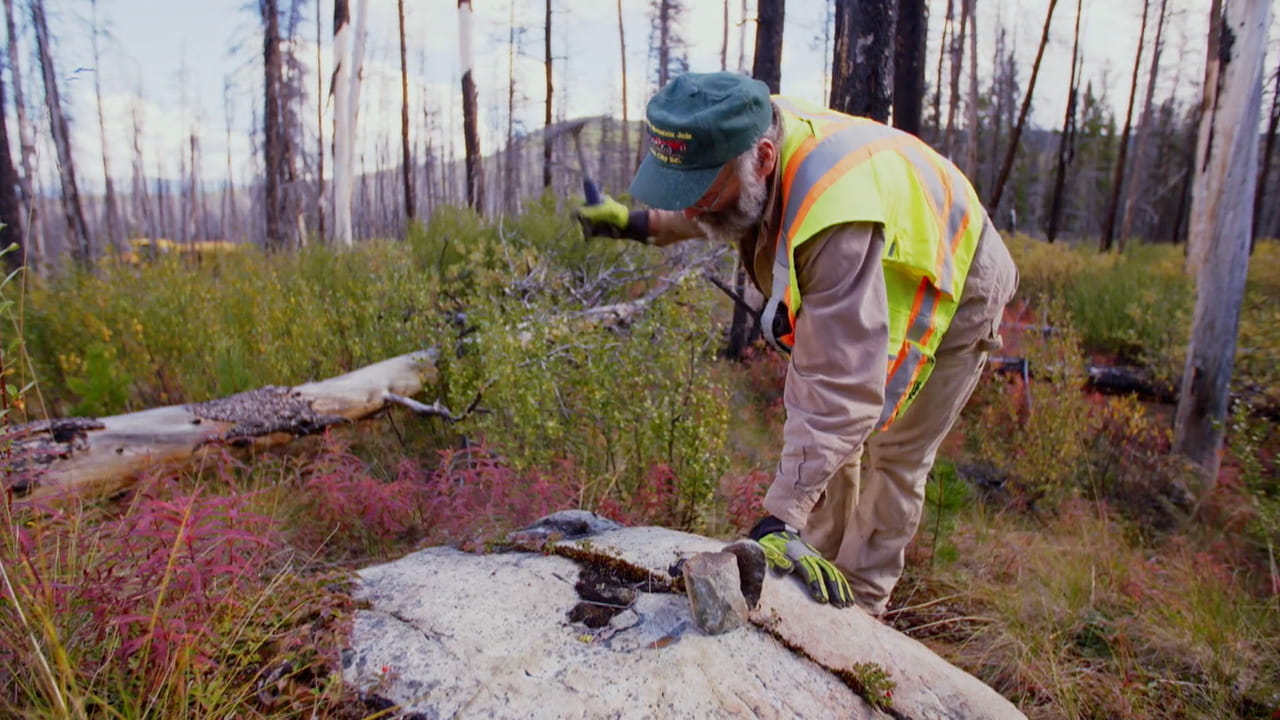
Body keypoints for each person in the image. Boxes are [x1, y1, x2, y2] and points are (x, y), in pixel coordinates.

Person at [577, 71, 1018, 616]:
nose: (691, 209)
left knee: (893, 454)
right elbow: (706, 198)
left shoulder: (831, 212)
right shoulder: (746, 128)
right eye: (680, 191)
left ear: (763, 158)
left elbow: (840, 389)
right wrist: (635, 222)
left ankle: (858, 618)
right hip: (879, 255)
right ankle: (811, 565)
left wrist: (778, 517)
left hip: (958, 274)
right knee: (837, 451)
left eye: (700, 192)